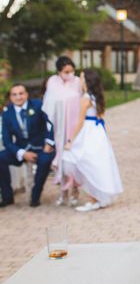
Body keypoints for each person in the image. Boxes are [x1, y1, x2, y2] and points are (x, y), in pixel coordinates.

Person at [63, 69, 123, 211]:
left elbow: (80, 122)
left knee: (84, 162)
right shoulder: (98, 96)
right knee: (96, 163)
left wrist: (70, 140)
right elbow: (101, 116)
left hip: (88, 131)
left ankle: (93, 199)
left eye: (82, 78)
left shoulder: (85, 98)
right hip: (98, 131)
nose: (80, 80)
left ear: (87, 81)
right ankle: (97, 197)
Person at [0, 83, 55, 207]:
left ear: (26, 94)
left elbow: (51, 124)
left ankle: (35, 196)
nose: (18, 97)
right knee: (1, 158)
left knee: (45, 160)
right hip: (21, 148)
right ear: (10, 97)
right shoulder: (7, 113)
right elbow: (7, 140)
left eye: (21, 93)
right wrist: (22, 153)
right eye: (14, 94)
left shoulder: (38, 105)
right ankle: (7, 196)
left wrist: (49, 143)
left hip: (41, 147)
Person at [42, 56, 83, 206]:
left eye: (72, 71)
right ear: (59, 71)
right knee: (61, 159)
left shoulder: (78, 82)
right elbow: (50, 103)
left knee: (74, 159)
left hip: (75, 126)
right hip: (59, 128)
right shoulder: (53, 82)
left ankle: (75, 191)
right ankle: (63, 192)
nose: (70, 74)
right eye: (66, 71)